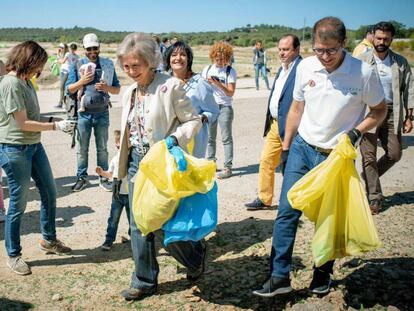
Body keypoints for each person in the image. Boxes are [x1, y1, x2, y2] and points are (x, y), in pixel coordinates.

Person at [252, 17, 387, 298]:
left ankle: (322, 272)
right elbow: (297, 109)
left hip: (335, 157)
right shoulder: (306, 67)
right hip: (302, 148)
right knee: (287, 212)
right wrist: (287, 147)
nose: (325, 57)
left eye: (331, 51)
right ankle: (278, 276)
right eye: (319, 50)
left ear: (344, 44)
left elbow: (379, 110)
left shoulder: (362, 72)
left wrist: (356, 132)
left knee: (328, 219)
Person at [115, 32, 204, 301]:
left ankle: (195, 256)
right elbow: (127, 130)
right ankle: (144, 280)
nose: (130, 72)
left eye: (136, 66)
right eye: (126, 66)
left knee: (166, 224)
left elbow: (194, 121)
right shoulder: (129, 91)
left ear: (151, 62)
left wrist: (175, 139)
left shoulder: (171, 87)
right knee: (139, 224)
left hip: (162, 165)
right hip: (135, 165)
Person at [0, 41, 76, 275]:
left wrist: (55, 121)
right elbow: (22, 124)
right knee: (18, 204)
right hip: (15, 149)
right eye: (39, 64)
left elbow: (34, 115)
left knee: (50, 192)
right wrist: (55, 128)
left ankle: (48, 240)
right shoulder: (11, 83)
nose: (40, 69)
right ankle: (13, 254)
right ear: (28, 60)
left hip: (34, 146)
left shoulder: (26, 81)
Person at [358, 22, 413, 214]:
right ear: (372, 36)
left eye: (386, 39)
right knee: (368, 156)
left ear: (391, 39)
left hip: (392, 111)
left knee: (395, 154)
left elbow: (409, 89)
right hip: (368, 112)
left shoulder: (399, 62)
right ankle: (374, 197)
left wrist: (409, 116)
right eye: (379, 38)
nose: (382, 42)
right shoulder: (361, 60)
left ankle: (369, 176)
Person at [245, 34, 302, 210]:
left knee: (291, 165)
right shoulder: (282, 69)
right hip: (275, 124)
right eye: (279, 49)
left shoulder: (302, 69)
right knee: (266, 160)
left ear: (297, 50)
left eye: (286, 49)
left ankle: (297, 200)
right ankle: (264, 198)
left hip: (293, 126)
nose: (281, 53)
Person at [66, 33, 121, 192]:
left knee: (102, 148)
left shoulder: (107, 65)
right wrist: (81, 82)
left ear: (99, 48)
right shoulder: (77, 64)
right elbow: (68, 89)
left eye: (95, 48)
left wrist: (106, 88)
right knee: (82, 149)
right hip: (84, 114)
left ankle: (103, 177)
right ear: (84, 48)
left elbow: (117, 89)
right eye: (89, 48)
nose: (92, 51)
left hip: (102, 113)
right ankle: (81, 177)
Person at [165, 40, 220, 158]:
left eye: (183, 55)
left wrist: (202, 117)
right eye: (173, 55)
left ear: (189, 59)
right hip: (167, 140)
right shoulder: (164, 82)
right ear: (168, 59)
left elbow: (214, 111)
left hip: (192, 141)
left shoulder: (200, 83)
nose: (178, 58)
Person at [202, 41, 237, 179]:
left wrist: (217, 83)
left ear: (227, 58)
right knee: (210, 138)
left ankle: (228, 167)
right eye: (217, 58)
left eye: (223, 59)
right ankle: (211, 164)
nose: (220, 61)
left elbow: (230, 92)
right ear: (213, 56)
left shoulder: (230, 71)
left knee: (226, 138)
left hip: (224, 108)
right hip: (210, 108)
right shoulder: (207, 69)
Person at [96, 130, 131, 251]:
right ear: (117, 144)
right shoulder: (115, 160)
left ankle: (134, 238)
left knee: (133, 219)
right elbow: (110, 174)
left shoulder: (132, 158)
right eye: (121, 143)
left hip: (131, 194)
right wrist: (102, 173)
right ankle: (109, 240)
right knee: (113, 219)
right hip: (117, 195)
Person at [56, 43, 69, 108]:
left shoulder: (67, 54)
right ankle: (62, 103)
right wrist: (59, 55)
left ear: (64, 48)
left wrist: (58, 56)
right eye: (59, 47)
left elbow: (62, 62)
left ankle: (61, 103)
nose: (60, 48)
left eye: (61, 47)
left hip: (66, 72)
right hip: (62, 72)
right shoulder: (63, 54)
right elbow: (59, 60)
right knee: (62, 88)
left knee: (62, 87)